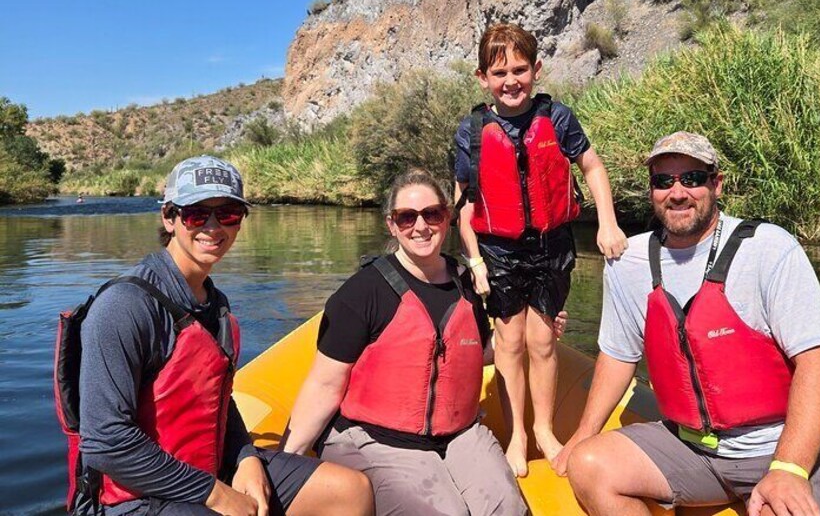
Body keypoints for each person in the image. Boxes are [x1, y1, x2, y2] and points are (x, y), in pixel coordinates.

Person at [59, 155, 373, 515]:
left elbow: (217, 399)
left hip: (205, 465)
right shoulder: (124, 307)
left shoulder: (214, 302)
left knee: (349, 490)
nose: (213, 226)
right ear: (169, 218)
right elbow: (106, 443)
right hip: (137, 498)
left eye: (227, 214)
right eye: (196, 213)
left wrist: (246, 458)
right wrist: (215, 493)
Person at [554, 132, 820, 516]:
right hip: (694, 448)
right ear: (652, 190)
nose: (677, 193)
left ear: (716, 183)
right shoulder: (628, 264)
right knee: (590, 466)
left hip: (783, 446)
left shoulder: (769, 249)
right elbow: (618, 356)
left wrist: (789, 469)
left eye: (691, 178)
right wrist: (582, 435)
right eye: (664, 181)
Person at [282, 169, 527, 515]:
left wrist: (529, 334)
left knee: (506, 509)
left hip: (459, 435)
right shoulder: (363, 292)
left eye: (432, 214)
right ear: (392, 225)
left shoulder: (467, 286)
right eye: (407, 217)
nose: (421, 226)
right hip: (374, 437)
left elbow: (474, 354)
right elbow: (324, 384)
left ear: (447, 217)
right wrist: (283, 463)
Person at [453, 22, 628, 477]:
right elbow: (464, 206)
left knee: (542, 340)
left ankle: (546, 430)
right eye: (499, 72)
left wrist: (607, 223)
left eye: (520, 69)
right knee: (509, 342)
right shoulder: (471, 131)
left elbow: (591, 165)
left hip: (552, 245)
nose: (510, 80)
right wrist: (475, 262)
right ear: (482, 78)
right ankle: (517, 437)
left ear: (537, 70)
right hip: (498, 250)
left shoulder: (559, 117)